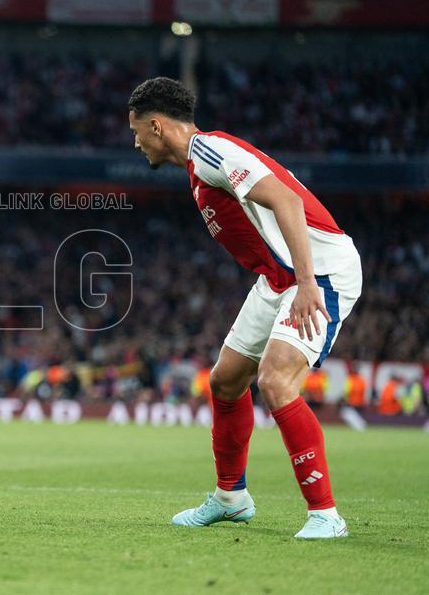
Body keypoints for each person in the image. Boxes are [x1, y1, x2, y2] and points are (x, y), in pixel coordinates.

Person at [128, 77, 362, 539]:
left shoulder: (212, 153)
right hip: (278, 279)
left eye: (136, 131)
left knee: (275, 380)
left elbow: (288, 200)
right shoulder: (198, 166)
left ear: (157, 125)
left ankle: (326, 515)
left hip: (321, 270)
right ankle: (231, 498)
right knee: (226, 380)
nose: (135, 142)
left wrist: (309, 283)